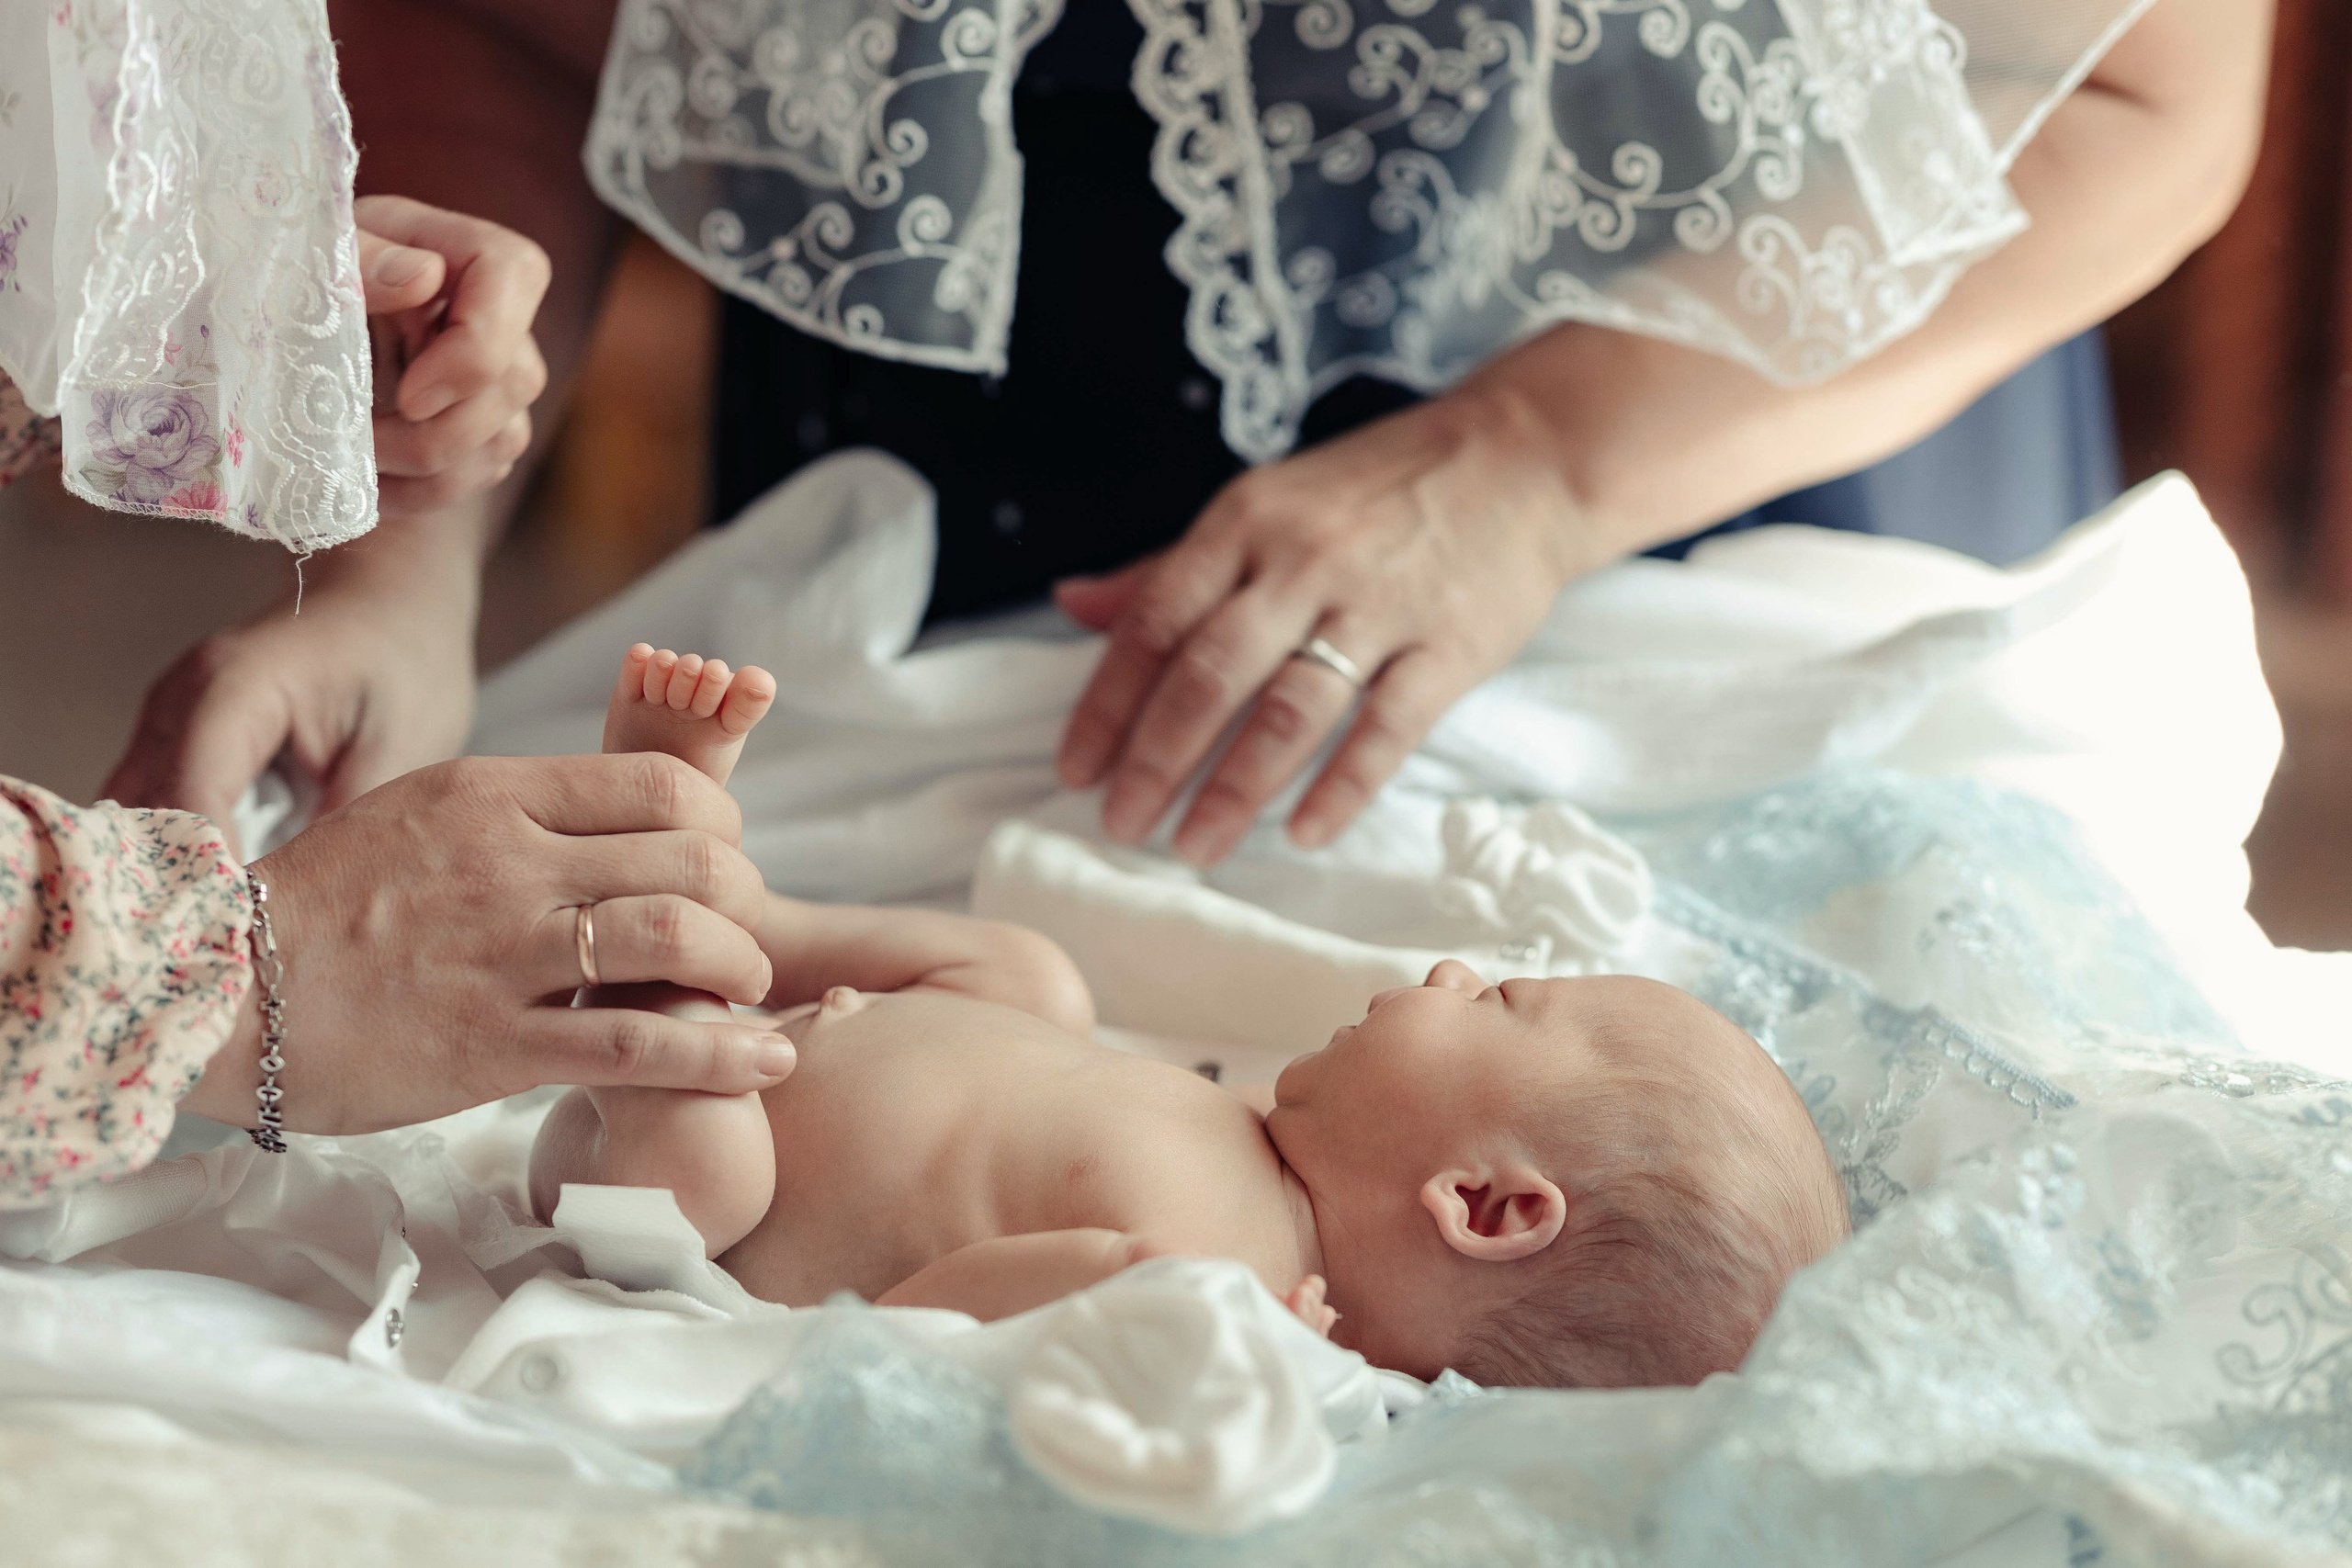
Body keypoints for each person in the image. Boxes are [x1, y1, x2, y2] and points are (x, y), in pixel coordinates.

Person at [105, 0, 2271, 875]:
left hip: (1739, 474)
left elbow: (2142, 93)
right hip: (938, 524)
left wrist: (1530, 464)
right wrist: (399, 545)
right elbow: (507, 22)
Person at [531, 639, 1850, 1386]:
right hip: (828, 1035)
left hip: (680, 1209)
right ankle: (749, 919)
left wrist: (1112, 1291)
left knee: (704, 1161)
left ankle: (659, 893)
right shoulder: (1256, 1148)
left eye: (1499, 999)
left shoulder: (1222, 1312)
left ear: (1486, 1207)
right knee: (1034, 979)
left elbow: (909, 1343)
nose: (1448, 973)